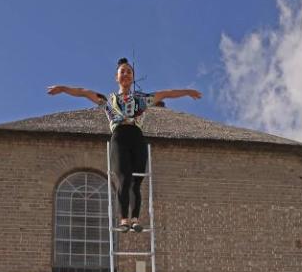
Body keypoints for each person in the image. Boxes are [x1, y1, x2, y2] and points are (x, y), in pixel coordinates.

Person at [48, 58, 202, 232]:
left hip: (137, 136)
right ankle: (123, 219)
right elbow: (83, 92)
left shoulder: (142, 99)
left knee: (136, 181)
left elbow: (166, 93)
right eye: (123, 71)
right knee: (123, 178)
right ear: (116, 77)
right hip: (119, 136)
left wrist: (187, 91)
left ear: (133, 77)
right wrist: (63, 89)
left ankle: (135, 219)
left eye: (129, 71)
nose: (126, 74)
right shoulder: (108, 100)